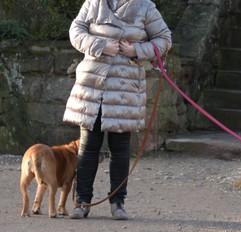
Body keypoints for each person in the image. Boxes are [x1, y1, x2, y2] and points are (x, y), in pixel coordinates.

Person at [63, 0, 172, 220]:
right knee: (88, 146)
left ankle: (118, 203)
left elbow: (164, 39)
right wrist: (100, 45)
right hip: (93, 85)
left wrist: (136, 50)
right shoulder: (93, 2)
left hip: (125, 87)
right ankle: (82, 202)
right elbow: (76, 31)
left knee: (120, 148)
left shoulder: (145, 6)